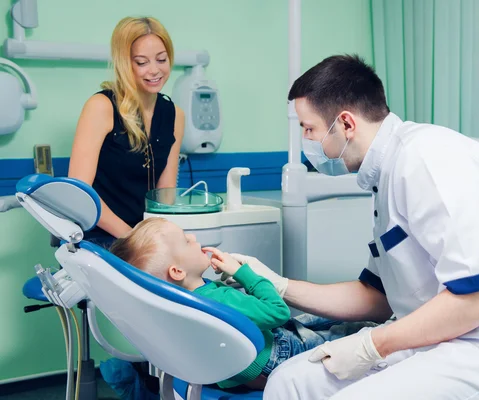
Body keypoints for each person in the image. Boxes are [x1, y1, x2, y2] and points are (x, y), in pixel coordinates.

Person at [230, 54, 479, 399]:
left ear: (346, 124)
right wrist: (276, 284)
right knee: (288, 381)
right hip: (435, 340)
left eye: (309, 129)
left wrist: (371, 345)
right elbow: (377, 297)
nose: (307, 143)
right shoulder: (385, 176)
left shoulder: (427, 159)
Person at [108, 217, 378, 390]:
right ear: (177, 272)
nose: (194, 239)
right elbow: (278, 312)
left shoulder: (178, 307)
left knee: (313, 319)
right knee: (347, 332)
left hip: (237, 370)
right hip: (277, 353)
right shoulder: (218, 301)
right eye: (185, 240)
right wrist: (245, 274)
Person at [68, 16, 184, 248]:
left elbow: (165, 193)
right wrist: (131, 237)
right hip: (97, 237)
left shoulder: (174, 115)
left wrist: (165, 241)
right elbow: (80, 191)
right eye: (142, 62)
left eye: (161, 59)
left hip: (143, 238)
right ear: (124, 63)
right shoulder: (102, 107)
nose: (154, 70)